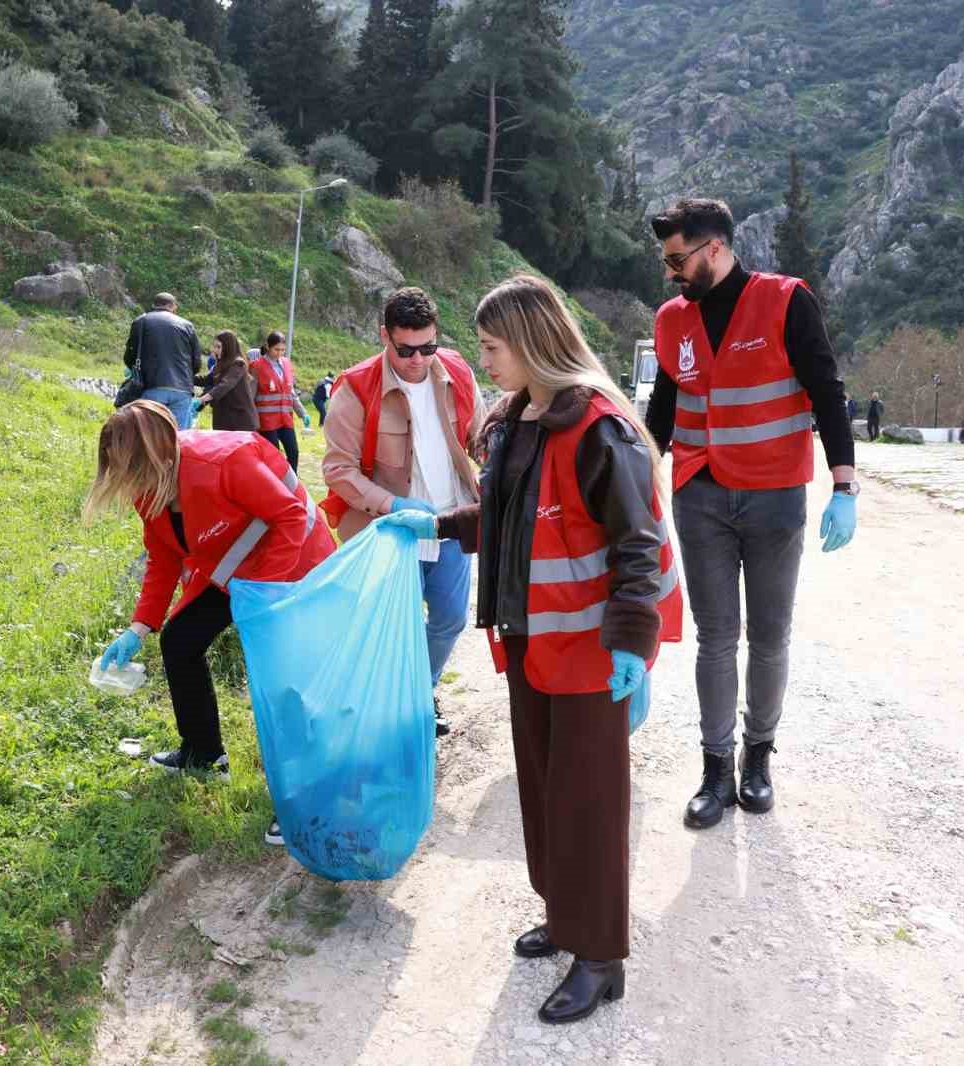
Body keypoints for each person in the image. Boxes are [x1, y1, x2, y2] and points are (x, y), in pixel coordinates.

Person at [388, 274, 682, 1025]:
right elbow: (507, 521)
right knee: (546, 790)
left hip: (588, 650)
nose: (481, 359)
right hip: (531, 644)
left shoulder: (598, 430)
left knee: (589, 803)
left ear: (528, 343)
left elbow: (639, 545)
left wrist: (631, 642)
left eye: (490, 346)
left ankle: (601, 958)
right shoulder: (522, 420)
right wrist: (436, 527)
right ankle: (565, 915)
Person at [644, 197, 858, 830]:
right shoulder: (671, 320)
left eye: (678, 258)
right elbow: (662, 408)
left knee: (768, 637)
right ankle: (715, 768)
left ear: (715, 248)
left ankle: (758, 759)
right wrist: (631, 471)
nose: (671, 271)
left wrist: (843, 487)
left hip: (774, 495)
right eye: (666, 260)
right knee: (715, 638)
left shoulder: (786, 301)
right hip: (701, 496)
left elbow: (827, 390)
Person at [83, 400, 336, 846]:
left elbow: (291, 516)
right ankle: (203, 753)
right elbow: (163, 556)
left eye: (132, 472)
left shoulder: (226, 463)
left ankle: (308, 800)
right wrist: (138, 627)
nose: (130, 487)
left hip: (293, 562)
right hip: (234, 572)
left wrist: (265, 596)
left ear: (158, 457)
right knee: (180, 641)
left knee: (285, 680)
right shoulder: (152, 486)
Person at [321, 287, 485, 737]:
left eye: (428, 347)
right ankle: (398, 708)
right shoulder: (356, 387)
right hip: (394, 530)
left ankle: (421, 689)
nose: (418, 359)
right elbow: (337, 468)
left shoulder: (455, 371)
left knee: (451, 618)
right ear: (384, 337)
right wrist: (393, 504)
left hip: (451, 521)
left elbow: (478, 435)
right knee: (400, 623)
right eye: (406, 349)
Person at [123, 293, 203, 429]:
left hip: (152, 386)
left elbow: (130, 356)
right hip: (182, 390)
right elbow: (196, 362)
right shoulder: (187, 325)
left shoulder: (141, 322)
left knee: (151, 436)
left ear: (154, 305)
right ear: (173, 306)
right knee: (178, 437)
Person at [251, 330, 312, 470]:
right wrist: (253, 422)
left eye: (283, 350)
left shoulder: (286, 364)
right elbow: (250, 396)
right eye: (276, 349)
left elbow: (291, 393)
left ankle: (292, 486)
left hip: (285, 419)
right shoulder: (257, 366)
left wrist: (303, 413)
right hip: (266, 422)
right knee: (273, 457)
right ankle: (275, 488)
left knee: (294, 453)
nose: (279, 353)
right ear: (268, 346)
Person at [193, 331, 258, 431]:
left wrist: (201, 399)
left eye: (219, 347)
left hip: (240, 421)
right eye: (214, 346)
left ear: (228, 347)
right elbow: (206, 380)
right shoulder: (220, 364)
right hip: (224, 418)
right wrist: (185, 377)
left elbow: (225, 385)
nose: (215, 350)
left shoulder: (238, 364)